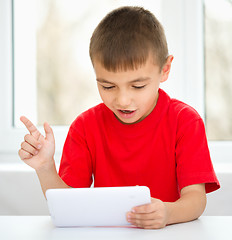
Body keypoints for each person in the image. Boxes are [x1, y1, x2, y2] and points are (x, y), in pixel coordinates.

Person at [18, 6, 220, 229]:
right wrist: (45, 167)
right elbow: (69, 204)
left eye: (138, 85)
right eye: (108, 86)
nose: (123, 100)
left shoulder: (185, 121)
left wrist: (168, 213)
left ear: (165, 69)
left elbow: (196, 200)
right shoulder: (85, 127)